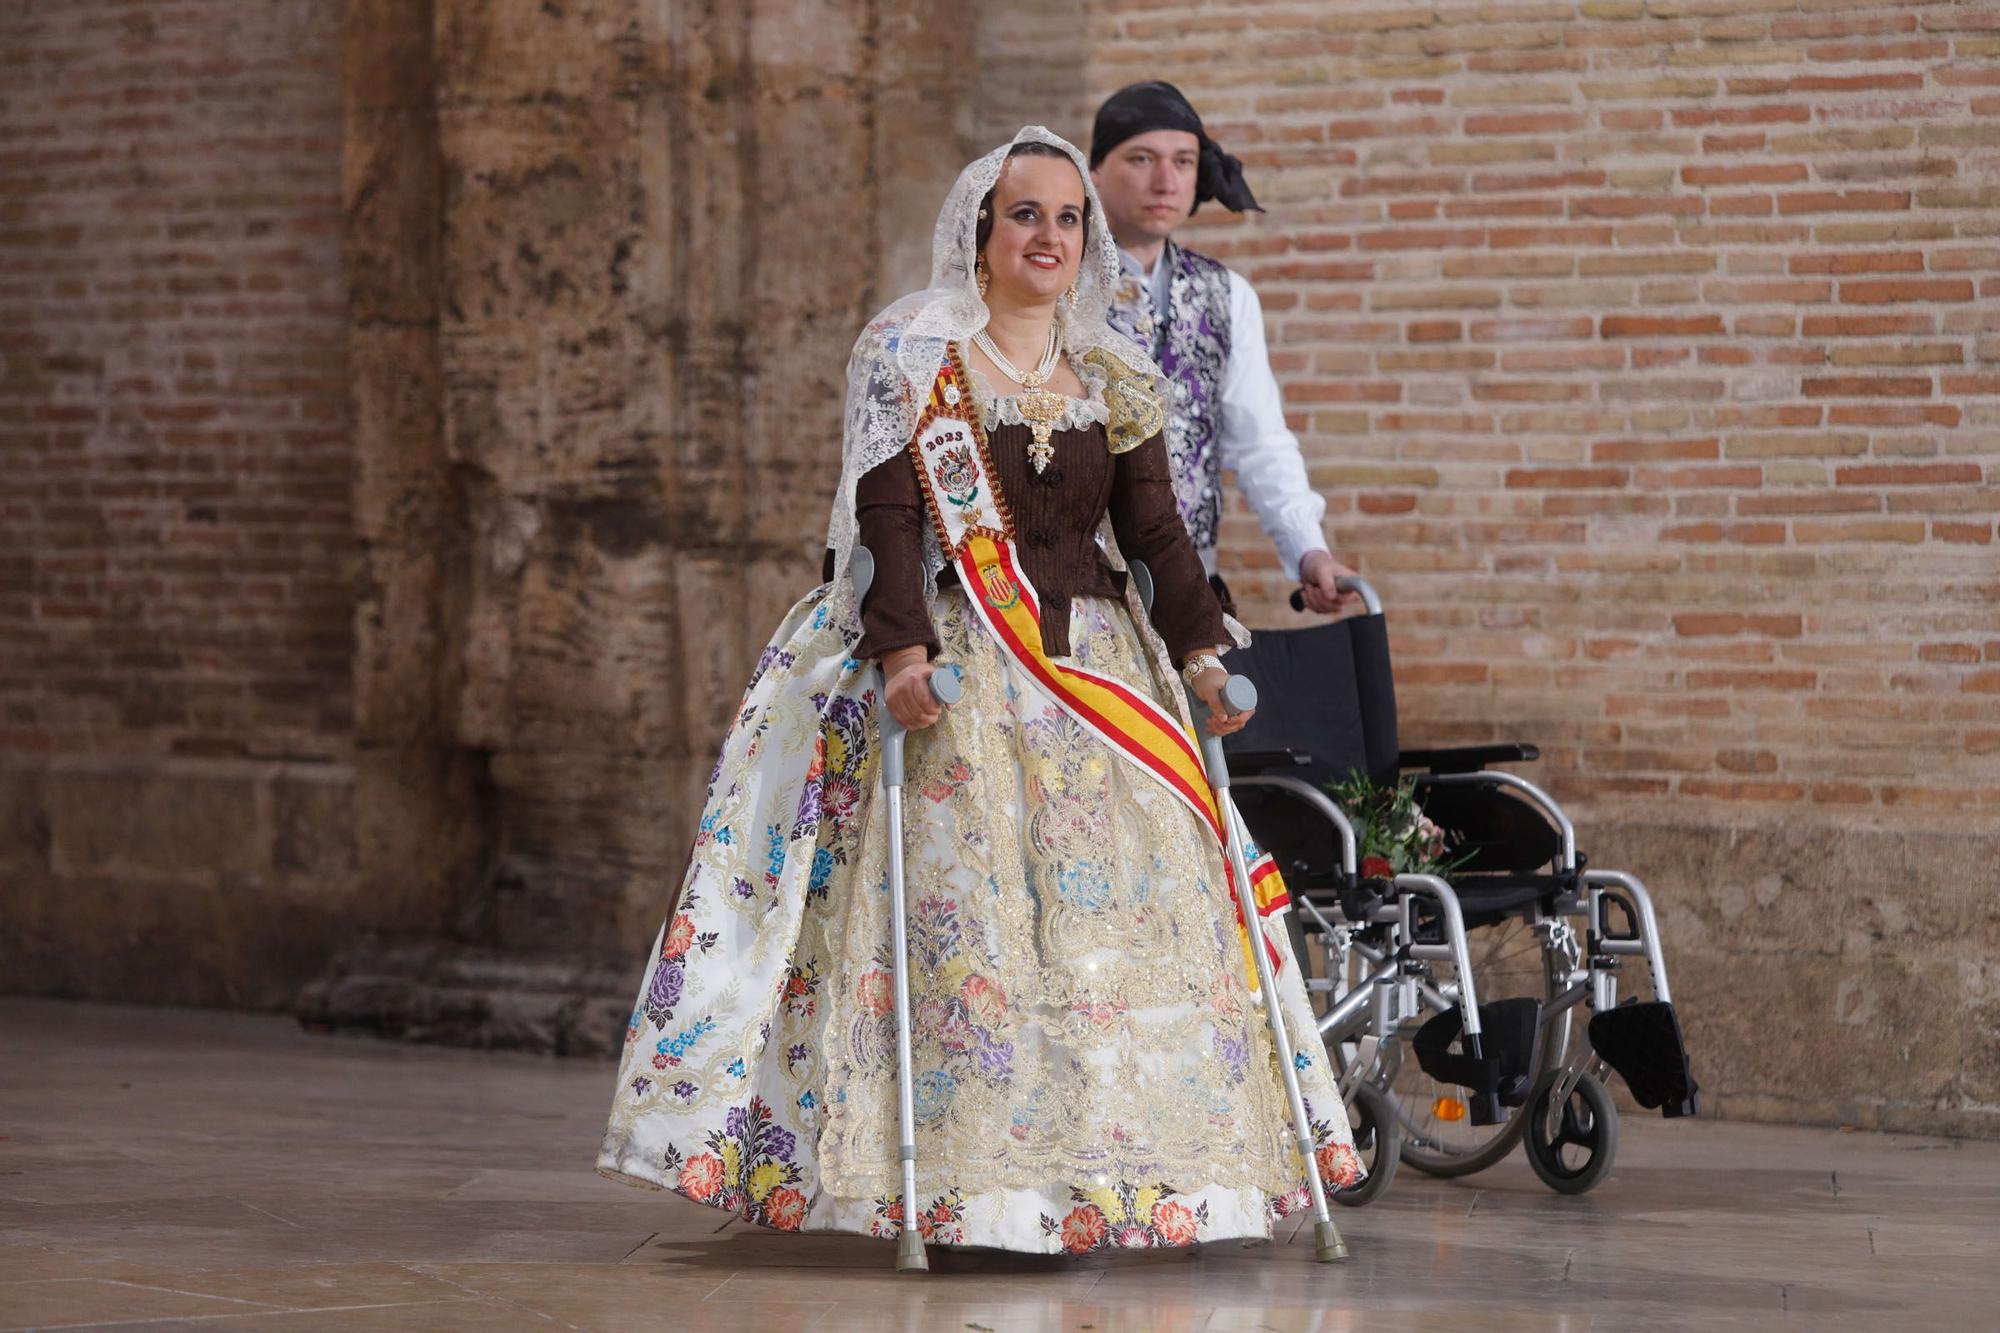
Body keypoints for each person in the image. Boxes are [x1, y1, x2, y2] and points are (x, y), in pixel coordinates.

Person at [597, 126, 1359, 1255]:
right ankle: (962, 1185)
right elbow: (888, 516)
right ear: (979, 230)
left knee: (1111, 929)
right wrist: (902, 653)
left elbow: (1151, 532)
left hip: (1095, 673)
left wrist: (1201, 653)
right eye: (1025, 214)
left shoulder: (1112, 366)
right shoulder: (912, 355)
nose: (1048, 236)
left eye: (1066, 218)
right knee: (972, 928)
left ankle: (1113, 1176)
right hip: (958, 662)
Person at [1090, 81, 1361, 617]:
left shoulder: (1226, 294)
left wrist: (1309, 550)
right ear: (1094, 171)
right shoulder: (1050, 287)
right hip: (1072, 592)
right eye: (1142, 158)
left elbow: (1261, 443)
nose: (1166, 181)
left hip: (1192, 586)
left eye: (1184, 161)